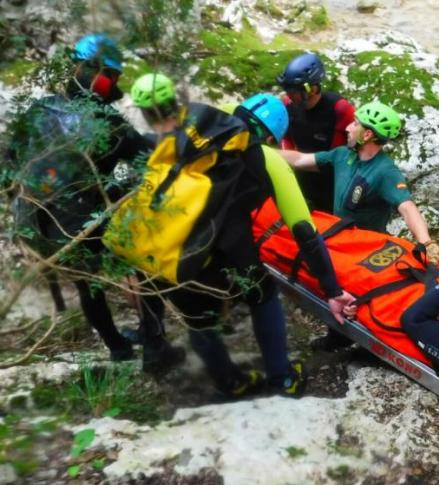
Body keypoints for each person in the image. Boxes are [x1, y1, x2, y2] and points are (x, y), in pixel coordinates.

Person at [126, 73, 356, 398]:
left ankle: (228, 382)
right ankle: (282, 378)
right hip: (209, 250)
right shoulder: (267, 158)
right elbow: (305, 231)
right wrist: (332, 290)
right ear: (271, 138)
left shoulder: (192, 129)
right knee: (263, 296)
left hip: (155, 244)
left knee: (198, 318)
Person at [7, 34, 183, 371]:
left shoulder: (39, 109)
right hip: (81, 222)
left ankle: (117, 347)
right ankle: (155, 347)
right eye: (112, 76)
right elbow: (147, 164)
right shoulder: (107, 121)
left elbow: (12, 160)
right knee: (144, 262)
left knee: (87, 283)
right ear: (104, 75)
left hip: (36, 222)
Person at [281, 101, 439, 351]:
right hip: (339, 241)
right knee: (335, 287)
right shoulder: (342, 155)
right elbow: (301, 159)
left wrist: (426, 242)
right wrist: (261, 151)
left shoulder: (385, 171)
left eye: (355, 124)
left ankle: (365, 338)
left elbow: (407, 207)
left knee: (360, 296)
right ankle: (339, 335)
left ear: (367, 134)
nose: (348, 127)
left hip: (367, 250)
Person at [277, 53, 355, 212]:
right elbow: (286, 137)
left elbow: (345, 152)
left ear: (311, 89)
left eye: (293, 90)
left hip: (331, 182)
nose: (289, 95)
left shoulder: (340, 109)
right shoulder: (288, 105)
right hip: (299, 172)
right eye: (287, 89)